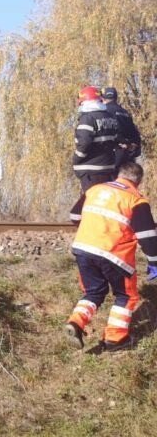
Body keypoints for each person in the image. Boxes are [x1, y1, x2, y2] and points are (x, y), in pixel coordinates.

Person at [65, 161, 157, 351]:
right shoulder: (136, 199)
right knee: (126, 295)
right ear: (138, 181)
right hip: (115, 254)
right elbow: (147, 236)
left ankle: (76, 322)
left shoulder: (95, 190)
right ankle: (115, 339)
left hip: (83, 248)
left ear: (119, 175)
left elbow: (74, 216)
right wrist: (153, 260)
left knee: (94, 292)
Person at [72, 85, 120, 191]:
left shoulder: (88, 118)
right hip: (108, 168)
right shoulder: (110, 117)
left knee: (91, 202)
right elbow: (116, 139)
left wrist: (77, 158)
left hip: (91, 171)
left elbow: (84, 143)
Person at [101, 87, 142, 167]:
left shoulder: (104, 112)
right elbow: (135, 134)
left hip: (113, 153)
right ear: (116, 98)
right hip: (127, 154)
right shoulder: (125, 112)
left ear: (103, 98)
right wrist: (132, 145)